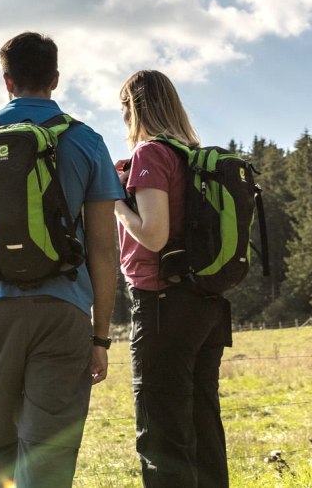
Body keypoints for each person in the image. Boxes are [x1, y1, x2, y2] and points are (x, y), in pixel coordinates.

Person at [0, 32, 122, 488]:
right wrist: (100, 335)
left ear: (7, 81)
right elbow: (104, 248)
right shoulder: (86, 141)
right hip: (65, 311)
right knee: (49, 454)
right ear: (55, 79)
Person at [112, 69, 231, 488]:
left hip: (161, 301)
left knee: (162, 429)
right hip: (207, 303)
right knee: (203, 423)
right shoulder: (192, 155)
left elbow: (154, 233)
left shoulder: (150, 155)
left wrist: (117, 204)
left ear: (132, 108)